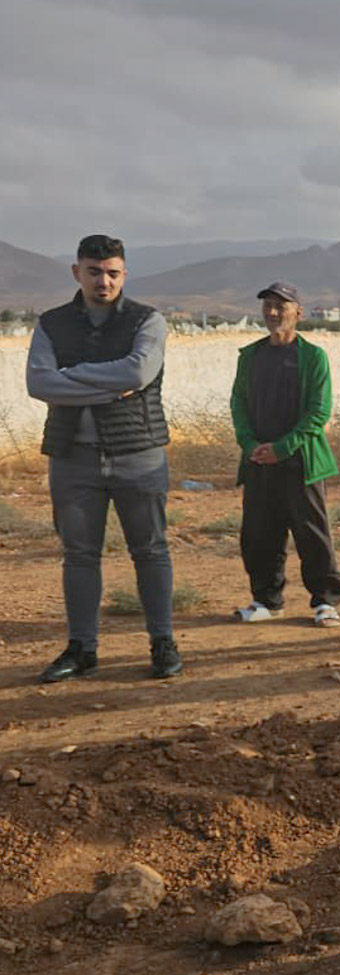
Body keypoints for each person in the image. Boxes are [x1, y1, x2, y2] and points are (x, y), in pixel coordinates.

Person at [26, 234, 182, 683]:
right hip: (73, 457)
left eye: (112, 273)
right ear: (77, 272)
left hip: (138, 453)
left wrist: (72, 376)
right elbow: (39, 384)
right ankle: (82, 648)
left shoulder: (147, 320)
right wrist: (108, 387)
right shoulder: (52, 324)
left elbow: (139, 370)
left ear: (124, 274)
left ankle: (162, 642)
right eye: (94, 272)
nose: (103, 281)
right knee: (79, 554)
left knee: (150, 550)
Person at [228, 282, 340, 627]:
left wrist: (282, 448)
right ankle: (266, 601)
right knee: (258, 535)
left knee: (312, 535)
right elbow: (238, 404)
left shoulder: (312, 357)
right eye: (268, 306)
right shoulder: (250, 356)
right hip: (258, 461)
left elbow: (318, 413)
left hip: (300, 462)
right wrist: (249, 444)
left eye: (281, 306)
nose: (273, 312)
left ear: (298, 312)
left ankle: (325, 602)